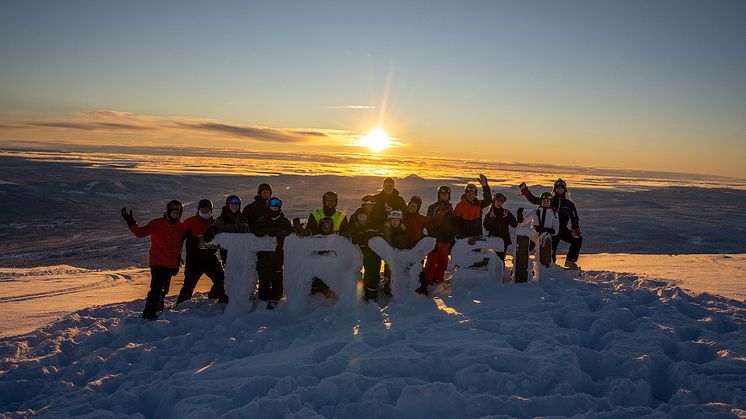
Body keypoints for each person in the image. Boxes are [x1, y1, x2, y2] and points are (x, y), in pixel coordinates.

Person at [121, 200, 186, 320]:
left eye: (178, 213)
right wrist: (131, 222)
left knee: (164, 290)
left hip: (171, 264)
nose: (176, 215)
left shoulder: (181, 227)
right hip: (158, 262)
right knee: (156, 289)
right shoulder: (157, 223)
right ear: (168, 212)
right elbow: (140, 233)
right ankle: (148, 315)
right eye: (174, 212)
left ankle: (158, 309)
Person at [519, 178, 582, 267]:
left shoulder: (569, 204)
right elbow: (534, 200)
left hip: (562, 230)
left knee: (577, 239)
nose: (559, 189)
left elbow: (574, 218)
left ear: (565, 189)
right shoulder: (549, 200)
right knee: (550, 253)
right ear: (554, 189)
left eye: (561, 188)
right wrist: (525, 191)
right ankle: (548, 267)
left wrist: (575, 228)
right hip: (550, 230)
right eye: (557, 188)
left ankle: (570, 261)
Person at [176, 199, 228, 306]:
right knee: (189, 285)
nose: (205, 211)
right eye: (202, 209)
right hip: (194, 260)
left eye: (207, 209)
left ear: (211, 210)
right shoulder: (189, 222)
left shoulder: (215, 223)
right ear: (198, 209)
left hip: (210, 258)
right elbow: (178, 239)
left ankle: (215, 298)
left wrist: (224, 258)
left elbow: (223, 241)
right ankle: (180, 306)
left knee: (222, 280)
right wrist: (177, 254)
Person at [253, 197, 293, 310]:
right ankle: (263, 300)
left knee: (277, 279)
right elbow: (254, 233)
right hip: (263, 257)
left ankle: (275, 299)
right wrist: (262, 232)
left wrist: (283, 233)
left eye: (276, 206)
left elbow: (290, 233)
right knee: (264, 279)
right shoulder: (261, 221)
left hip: (278, 256)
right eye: (272, 206)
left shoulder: (284, 221)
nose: (274, 208)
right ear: (268, 207)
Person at [419, 185, 456, 295]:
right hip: (435, 239)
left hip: (445, 239)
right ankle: (427, 281)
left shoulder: (450, 207)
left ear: (449, 195)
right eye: (442, 193)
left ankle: (438, 278)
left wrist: (451, 237)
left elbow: (450, 224)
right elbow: (429, 223)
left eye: (446, 194)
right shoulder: (433, 207)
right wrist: (432, 237)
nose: (444, 195)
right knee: (431, 261)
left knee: (443, 262)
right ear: (438, 195)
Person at [347, 206, 383, 301]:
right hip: (356, 252)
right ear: (356, 217)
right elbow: (345, 235)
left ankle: (371, 295)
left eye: (364, 216)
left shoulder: (373, 226)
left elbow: (381, 236)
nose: (362, 218)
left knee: (372, 273)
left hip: (371, 253)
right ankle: (353, 294)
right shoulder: (352, 227)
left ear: (367, 217)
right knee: (352, 272)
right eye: (360, 216)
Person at [453, 174, 492, 239]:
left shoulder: (479, 204)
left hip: (477, 236)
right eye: (469, 194)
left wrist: (485, 186)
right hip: (464, 238)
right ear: (466, 194)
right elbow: (455, 222)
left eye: (473, 194)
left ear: (475, 194)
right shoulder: (460, 205)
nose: (471, 195)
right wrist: (457, 234)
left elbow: (488, 200)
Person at [483, 192, 518, 261]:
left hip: (503, 240)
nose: (499, 203)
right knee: (493, 259)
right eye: (497, 201)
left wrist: (506, 218)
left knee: (501, 259)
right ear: (494, 201)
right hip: (493, 240)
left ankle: (501, 271)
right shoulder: (489, 214)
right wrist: (492, 219)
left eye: (501, 201)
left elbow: (514, 224)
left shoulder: (506, 212)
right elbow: (486, 227)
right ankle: (494, 271)